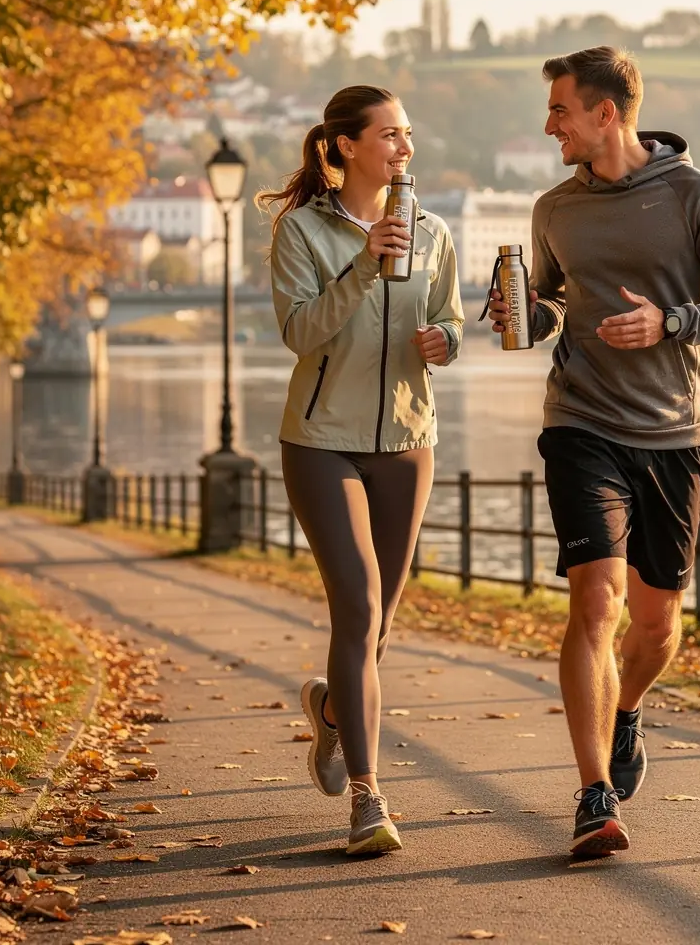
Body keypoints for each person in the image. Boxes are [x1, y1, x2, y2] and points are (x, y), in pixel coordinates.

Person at [487, 46, 700, 857]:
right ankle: (593, 795)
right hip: (580, 421)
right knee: (596, 603)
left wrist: (674, 321)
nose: (550, 126)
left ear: (606, 113)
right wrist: (520, 312)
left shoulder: (698, 196)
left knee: (652, 629)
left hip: (675, 432)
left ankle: (628, 707)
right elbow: (546, 304)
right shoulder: (553, 209)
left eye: (560, 111)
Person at [261, 85, 464, 857]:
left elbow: (443, 317)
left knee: (379, 620)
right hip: (321, 441)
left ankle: (333, 711)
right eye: (389, 134)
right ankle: (370, 799)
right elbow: (299, 333)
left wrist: (447, 340)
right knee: (358, 601)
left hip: (409, 439)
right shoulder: (303, 233)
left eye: (408, 134)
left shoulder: (436, 232)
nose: (405, 147)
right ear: (345, 146)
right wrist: (364, 267)